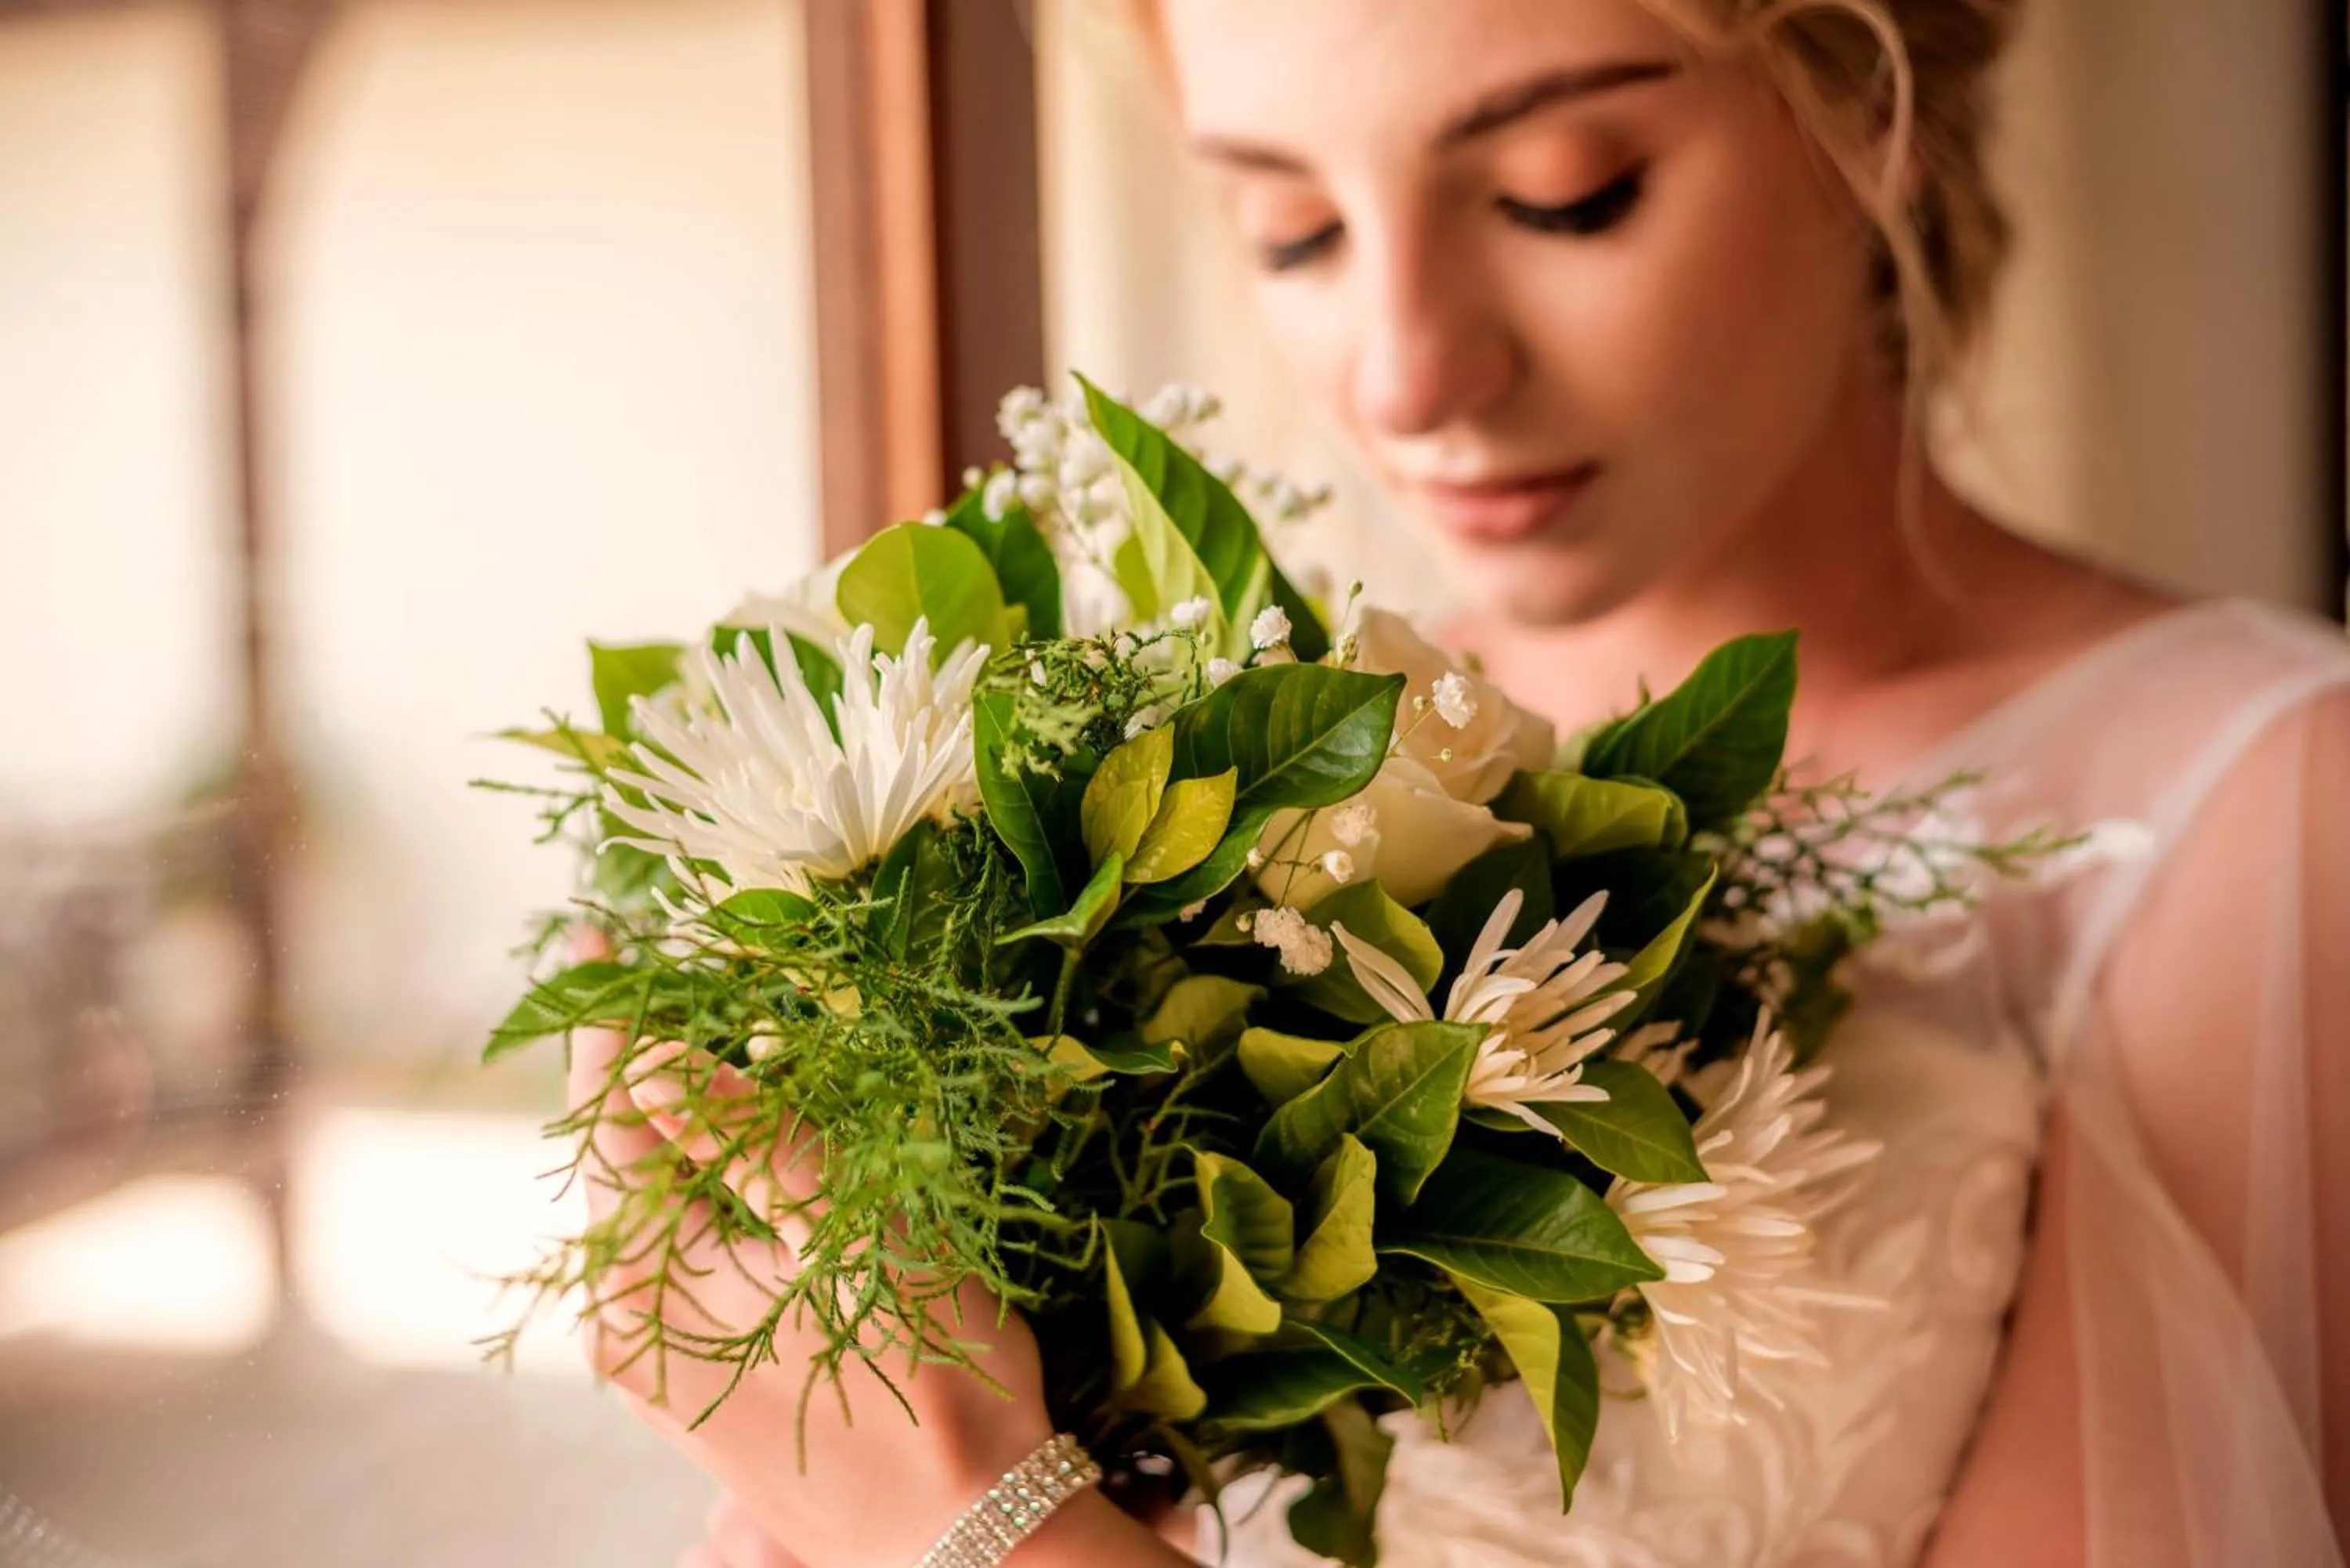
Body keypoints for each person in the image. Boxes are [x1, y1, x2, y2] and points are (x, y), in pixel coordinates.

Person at [611, 2, 2350, 1563]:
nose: (1407, 373)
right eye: (1293, 228)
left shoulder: (2267, 805)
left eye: (1563, 191)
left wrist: (981, 1524)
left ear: (1865, 104)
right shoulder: (1215, 779)